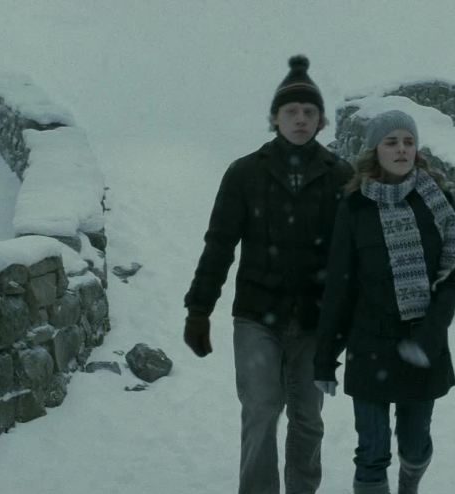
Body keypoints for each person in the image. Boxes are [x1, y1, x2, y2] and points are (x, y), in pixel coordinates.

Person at [183, 55, 353, 494]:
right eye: (291, 111)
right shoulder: (245, 173)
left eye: (310, 112)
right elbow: (220, 244)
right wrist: (199, 310)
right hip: (257, 315)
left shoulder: (340, 176)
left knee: (308, 417)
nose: (301, 119)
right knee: (260, 409)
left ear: (321, 121)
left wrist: (353, 318)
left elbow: (353, 256)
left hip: (315, 320)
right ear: (275, 118)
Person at [313, 110, 455, 494]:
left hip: (423, 342)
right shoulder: (355, 207)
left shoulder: (438, 202)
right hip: (370, 344)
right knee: (372, 451)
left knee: (414, 446)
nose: (401, 149)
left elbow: (452, 275)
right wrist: (325, 357)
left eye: (408, 142)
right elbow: (340, 285)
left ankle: (409, 483)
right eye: (391, 142)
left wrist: (430, 335)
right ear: (375, 150)